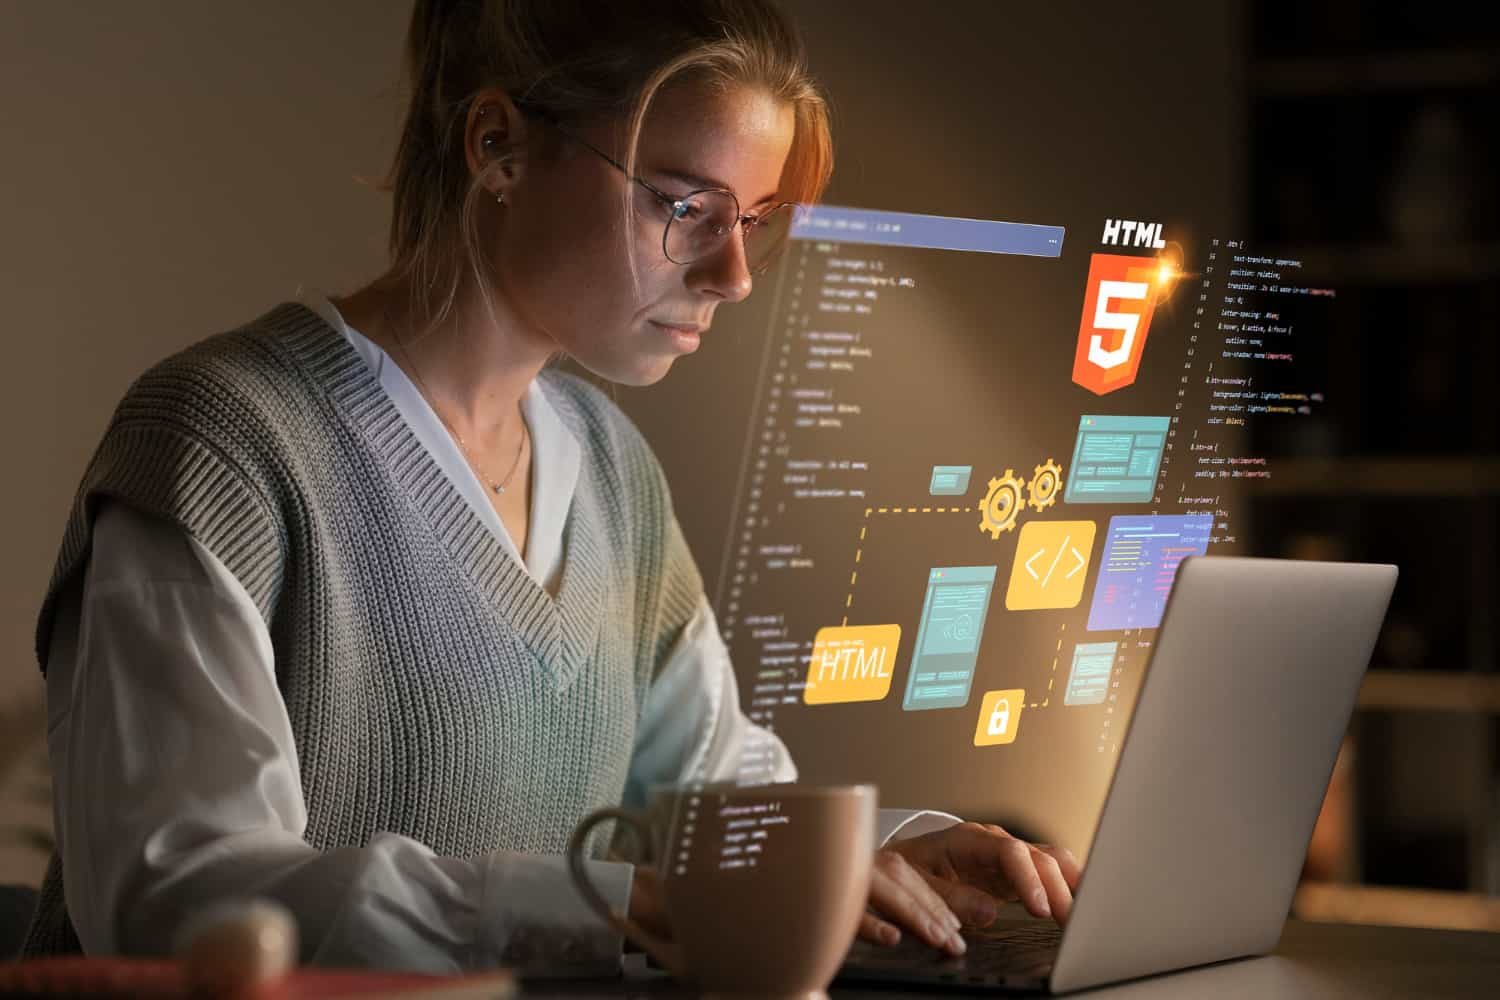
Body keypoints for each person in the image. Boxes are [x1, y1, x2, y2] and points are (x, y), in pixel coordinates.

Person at [25, 0, 1079, 975]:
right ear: (499, 146)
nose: (734, 275)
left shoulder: (612, 469)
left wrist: (896, 849)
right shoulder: (223, 442)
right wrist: (596, 907)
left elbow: (713, 806)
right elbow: (178, 894)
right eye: (684, 204)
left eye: (752, 219)